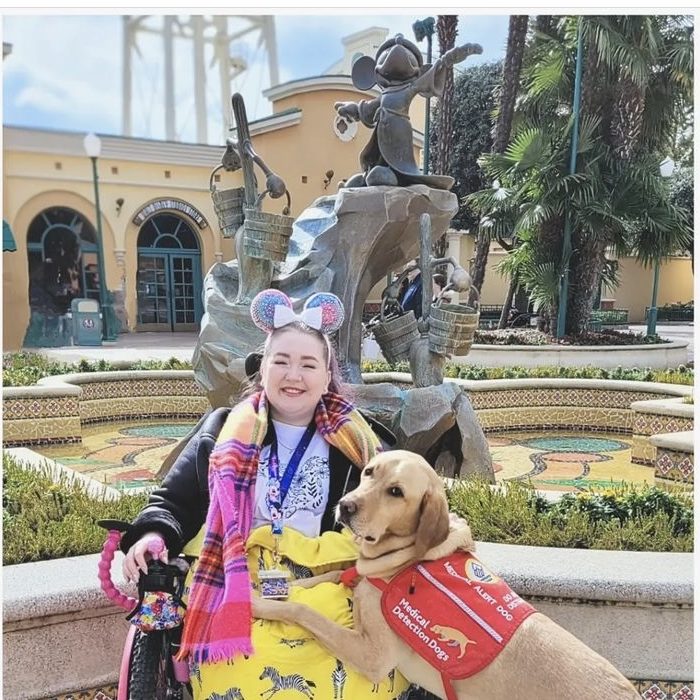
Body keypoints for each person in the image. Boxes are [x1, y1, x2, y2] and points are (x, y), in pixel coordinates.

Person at [120, 288, 410, 699]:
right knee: (248, 663)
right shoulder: (222, 432)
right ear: (264, 369)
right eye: (283, 362)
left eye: (309, 364)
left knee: (358, 661)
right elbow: (173, 502)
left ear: (327, 376)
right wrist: (154, 535)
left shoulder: (362, 444)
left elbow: (400, 510)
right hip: (239, 581)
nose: (294, 376)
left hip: (329, 583)